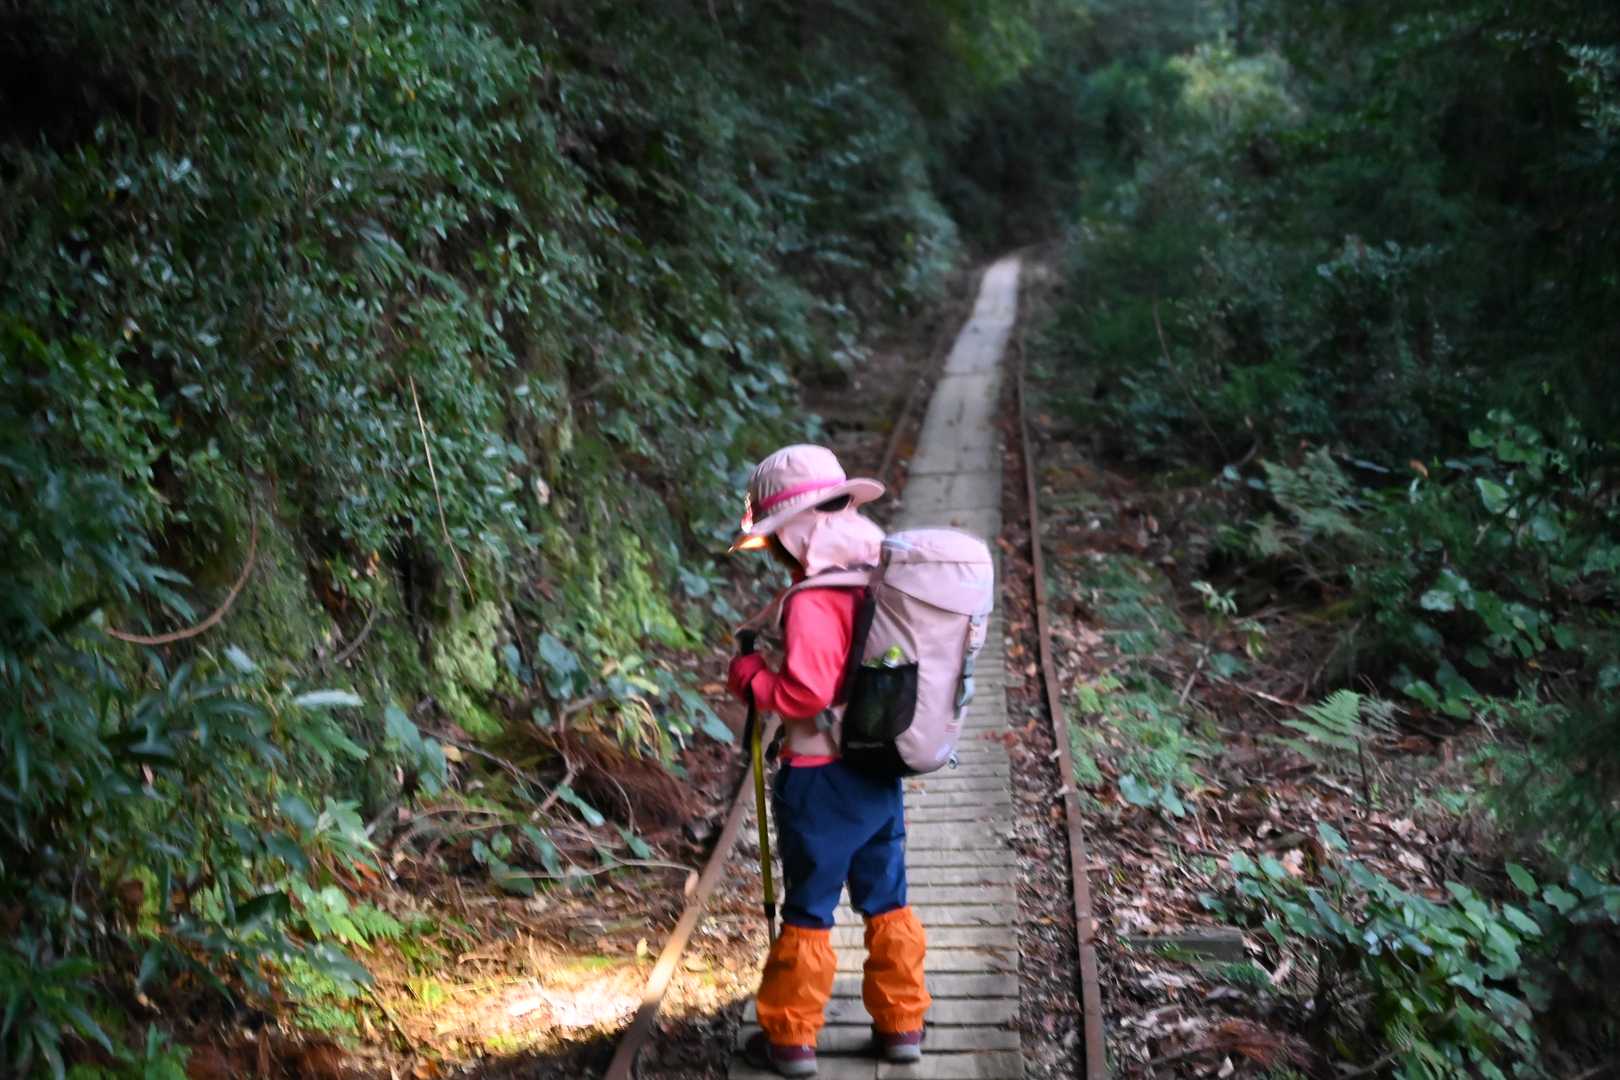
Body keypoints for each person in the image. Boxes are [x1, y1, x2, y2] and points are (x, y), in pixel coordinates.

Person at [726, 444, 930, 1078]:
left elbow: (807, 693)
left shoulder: (813, 599)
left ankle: (792, 1039)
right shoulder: (875, 581)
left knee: (809, 908)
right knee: (887, 900)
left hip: (820, 780)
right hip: (878, 768)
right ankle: (902, 1025)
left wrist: (751, 679)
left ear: (790, 535)